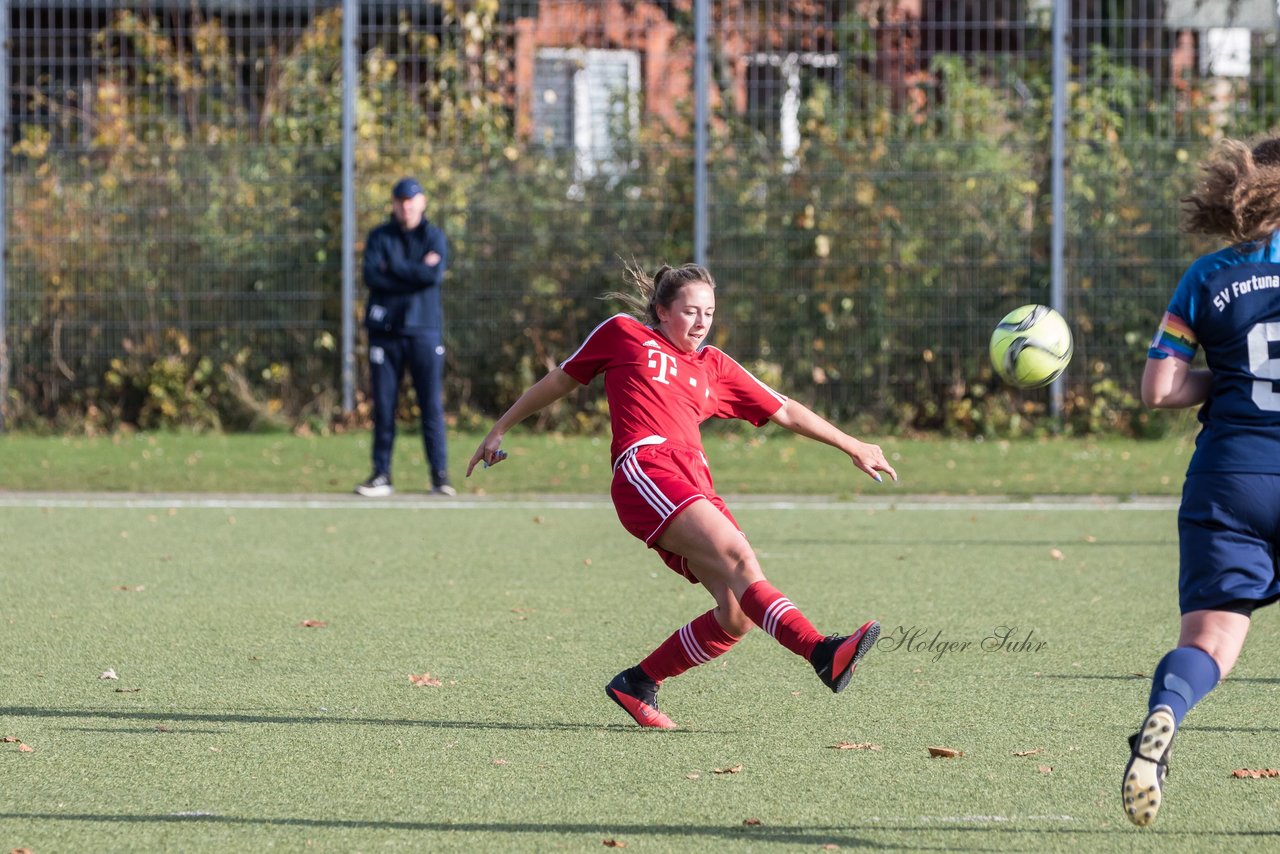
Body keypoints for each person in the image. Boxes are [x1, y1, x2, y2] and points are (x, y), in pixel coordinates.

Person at [466, 262, 897, 729]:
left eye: (708, 313)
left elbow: (786, 410)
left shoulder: (714, 365)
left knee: (736, 614)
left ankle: (637, 682)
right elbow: (561, 379)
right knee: (738, 557)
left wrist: (853, 444)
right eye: (690, 311)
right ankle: (821, 651)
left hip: (695, 480)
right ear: (661, 311)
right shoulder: (623, 333)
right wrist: (500, 427)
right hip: (645, 467)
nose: (700, 322)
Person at [1123, 136, 1280, 826]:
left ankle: (1165, 715)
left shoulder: (1207, 276)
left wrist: (1235, 380)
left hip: (1230, 477)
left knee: (1210, 643)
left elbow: (1157, 390)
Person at [355, 177, 455, 497]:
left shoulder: (434, 237)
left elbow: (432, 277)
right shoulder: (379, 237)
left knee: (430, 406)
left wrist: (393, 269)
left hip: (424, 332)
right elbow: (372, 276)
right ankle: (381, 475)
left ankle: (440, 477)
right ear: (393, 203)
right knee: (384, 407)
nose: (405, 205)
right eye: (400, 200)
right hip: (385, 334)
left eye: (411, 200)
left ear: (422, 201)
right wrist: (414, 272)